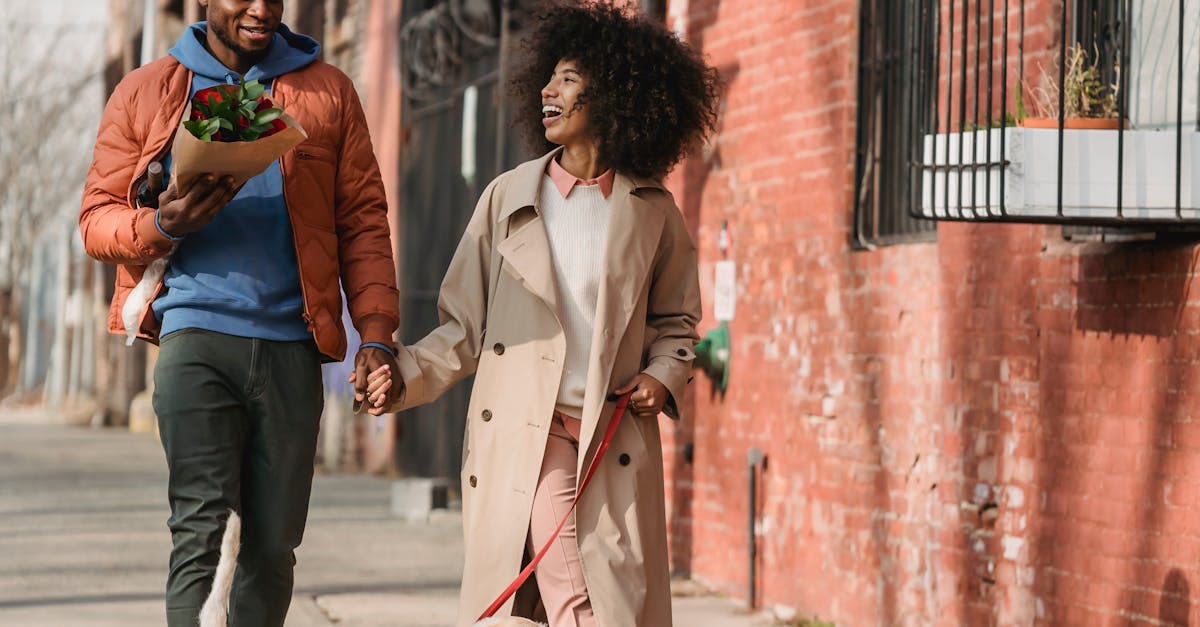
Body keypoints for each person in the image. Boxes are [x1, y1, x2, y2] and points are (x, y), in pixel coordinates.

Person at [357, 3, 720, 625]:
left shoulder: (653, 211)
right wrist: (402, 375)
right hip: (531, 428)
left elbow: (678, 323)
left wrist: (663, 376)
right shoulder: (507, 198)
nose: (548, 91)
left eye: (569, 79)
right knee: (575, 590)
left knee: (608, 595)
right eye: (547, 80)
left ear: (613, 94)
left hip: (612, 435)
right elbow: (462, 329)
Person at [79, 1, 400, 625]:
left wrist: (377, 335)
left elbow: (363, 220)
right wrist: (159, 223)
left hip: (292, 345)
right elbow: (96, 221)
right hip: (195, 336)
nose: (260, 8)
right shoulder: (148, 91)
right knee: (199, 529)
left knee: (274, 545)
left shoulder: (327, 91)